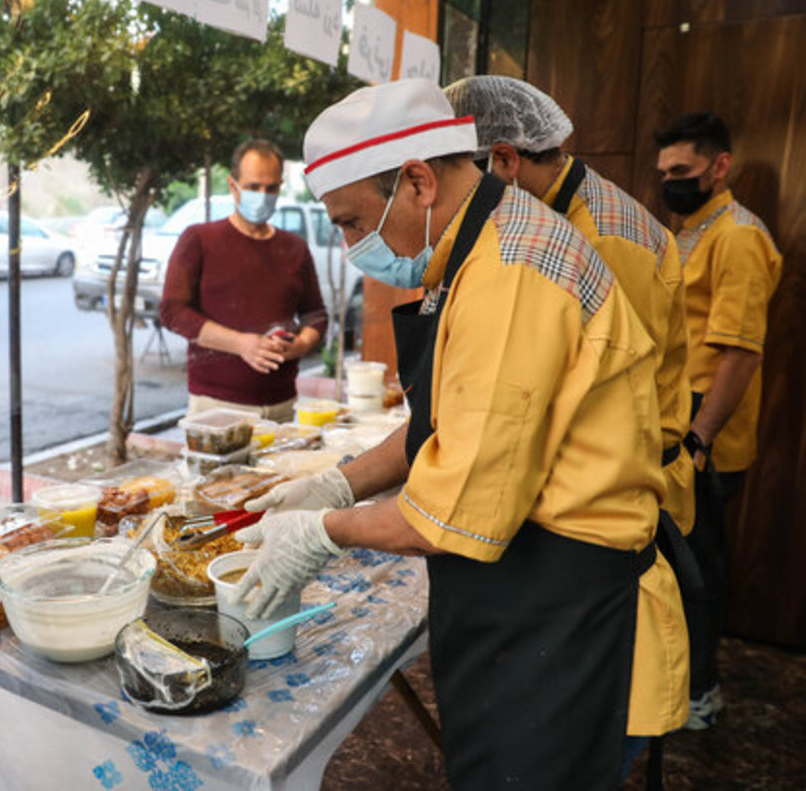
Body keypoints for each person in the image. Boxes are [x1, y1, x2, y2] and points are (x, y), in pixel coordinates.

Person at [237, 79, 687, 789]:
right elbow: (441, 425)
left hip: (562, 614)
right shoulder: (479, 245)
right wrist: (337, 479)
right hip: (525, 594)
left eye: (353, 222)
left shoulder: (511, 274)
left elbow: (450, 511)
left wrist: (324, 531)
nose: (353, 247)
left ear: (417, 180)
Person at [445, 76, 697, 762]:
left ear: (503, 161)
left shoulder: (605, 239)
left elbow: (616, 404)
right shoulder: (529, 222)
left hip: (605, 520)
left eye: (455, 177)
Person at [655, 111, 783, 729]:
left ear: (719, 165)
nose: (670, 182)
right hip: (678, 425)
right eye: (664, 173)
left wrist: (698, 441)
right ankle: (681, 682)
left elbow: (740, 353)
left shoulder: (736, 236)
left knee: (697, 567)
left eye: (681, 170)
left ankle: (699, 693)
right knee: (681, 565)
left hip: (705, 436)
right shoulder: (690, 230)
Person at [160, 138, 327, 423]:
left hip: (282, 406)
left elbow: (315, 316)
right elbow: (173, 312)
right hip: (216, 407)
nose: (263, 195)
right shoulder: (199, 240)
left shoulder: (295, 248)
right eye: (253, 187)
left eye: (271, 188)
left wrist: (298, 345)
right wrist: (241, 344)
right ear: (233, 186)